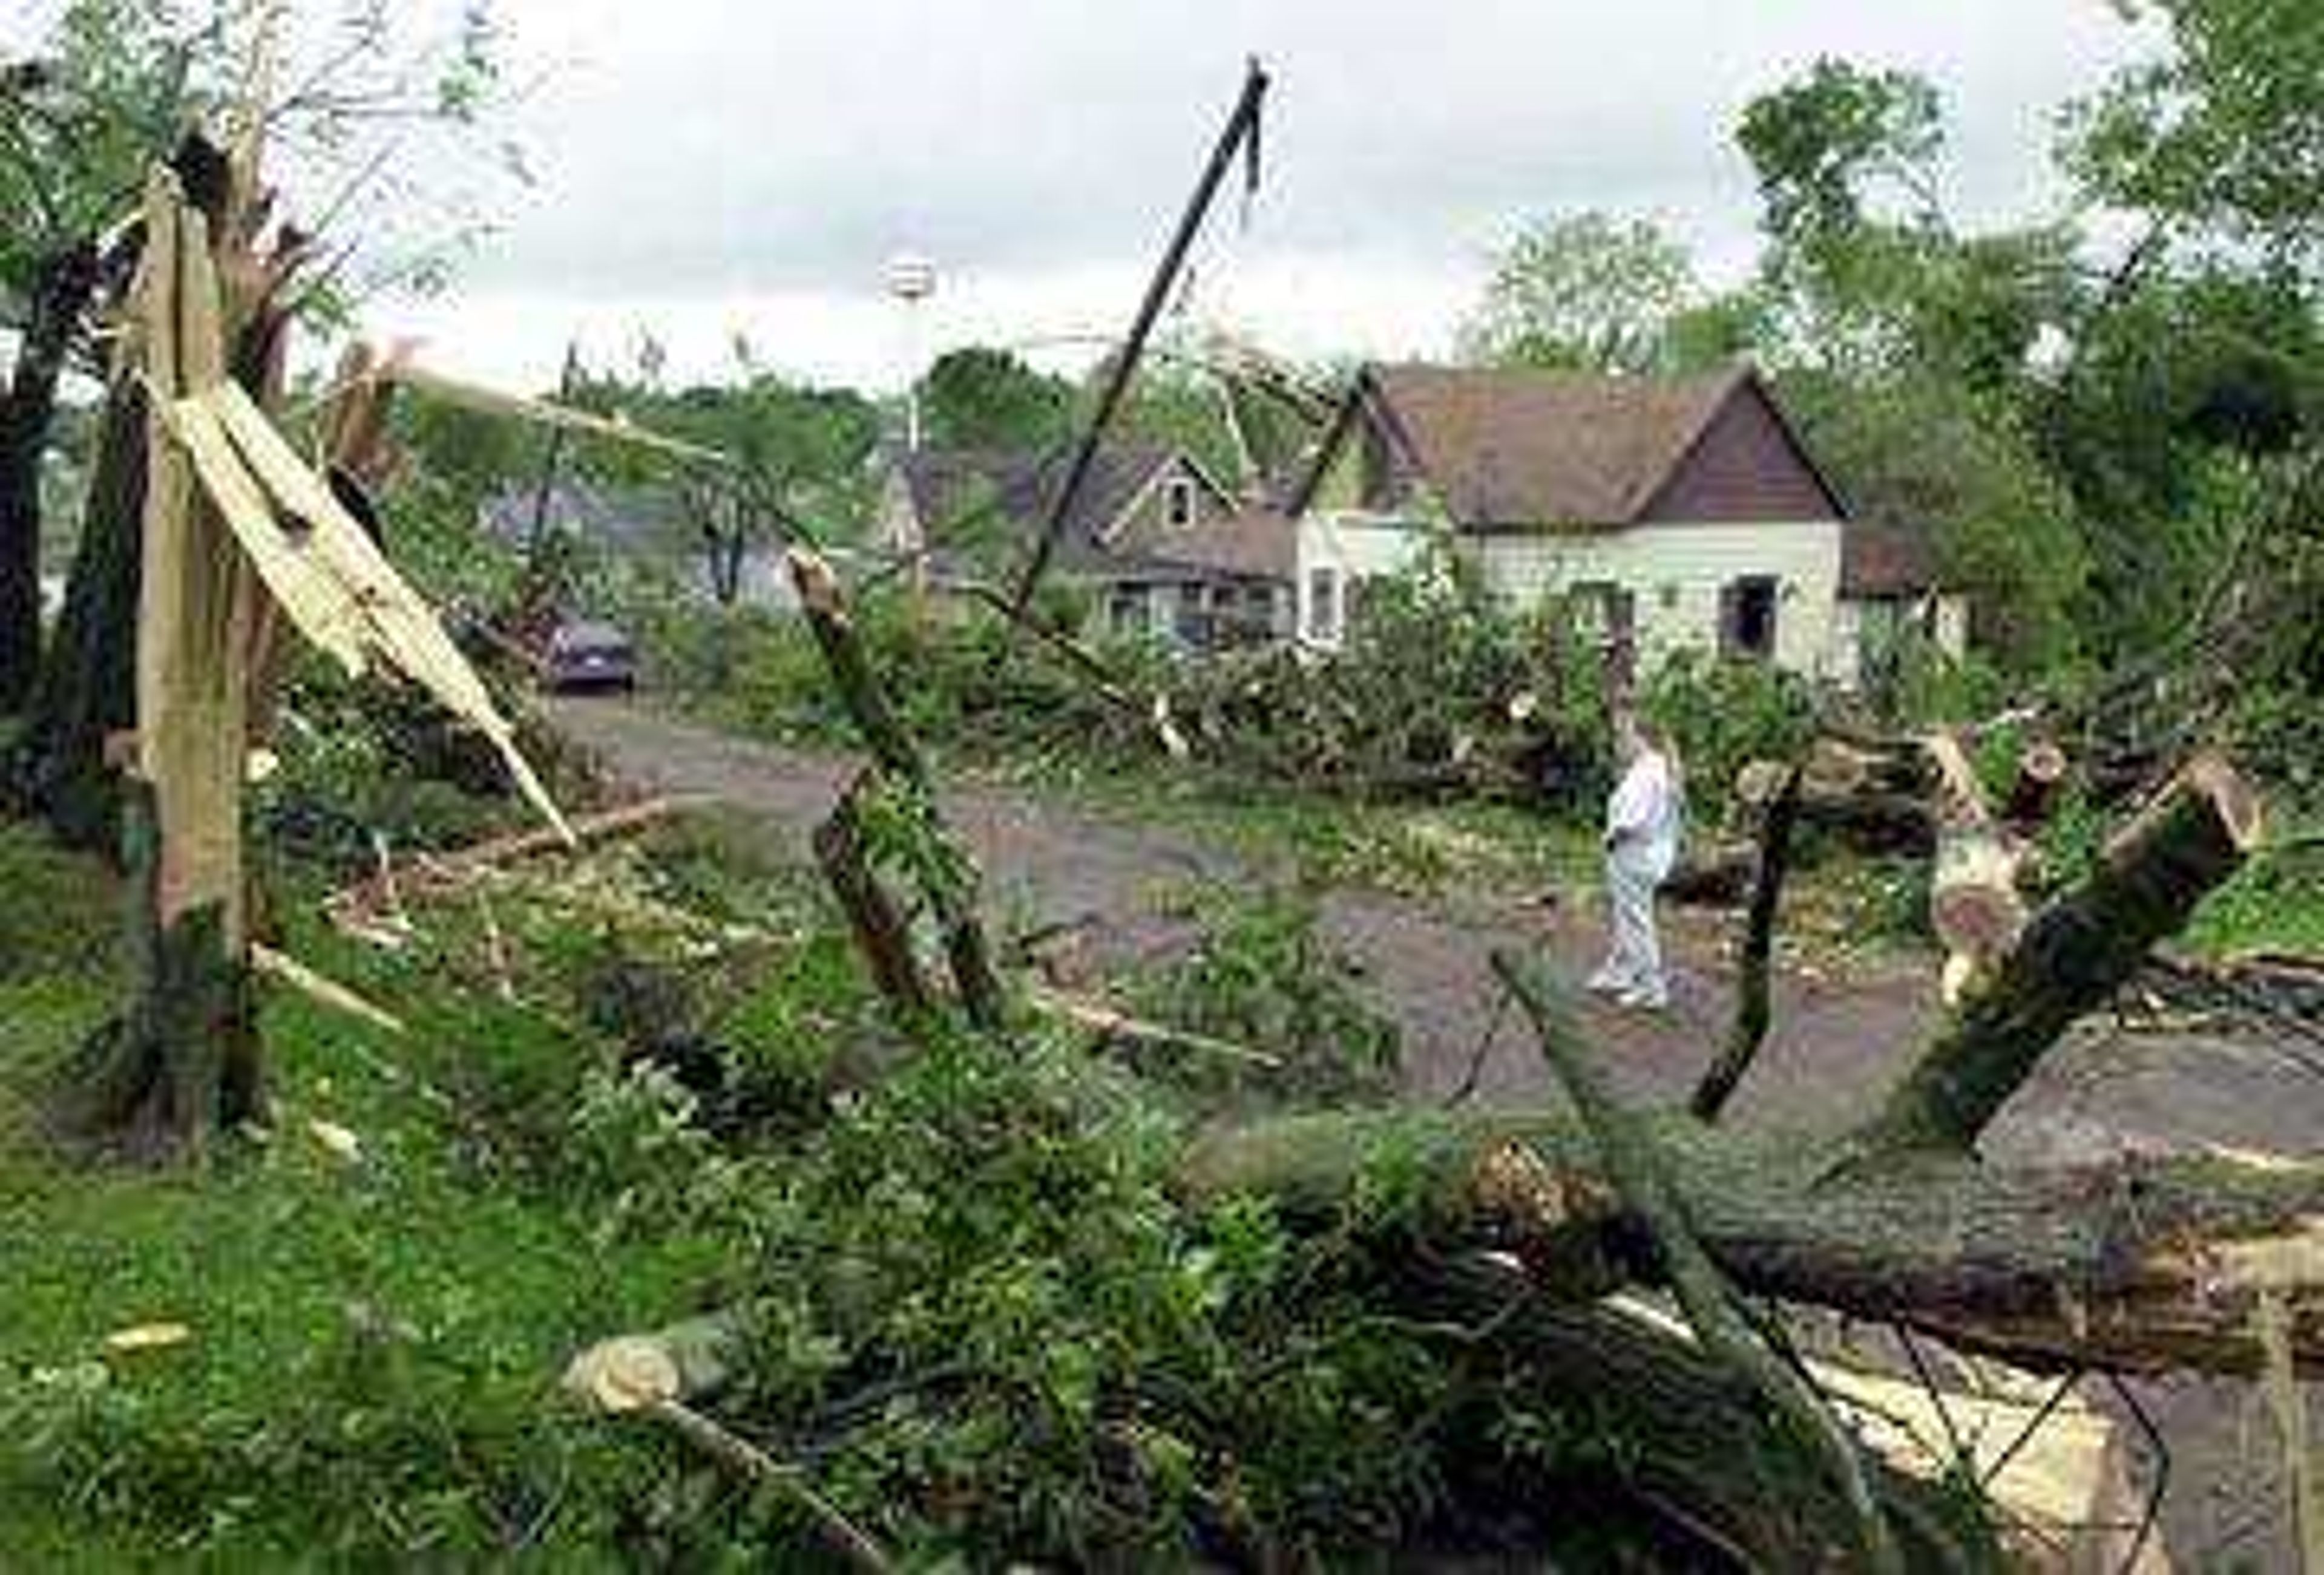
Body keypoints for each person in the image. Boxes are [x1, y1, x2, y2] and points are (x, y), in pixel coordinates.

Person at [1588, 715, 1683, 1010]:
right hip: (1650, 854)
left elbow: (1633, 820)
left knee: (1636, 921)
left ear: (1641, 737)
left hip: (1634, 854)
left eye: (1625, 736)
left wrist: (1611, 839)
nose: (1621, 743)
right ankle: (1621, 970)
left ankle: (1651, 987)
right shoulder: (1657, 769)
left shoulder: (1647, 773)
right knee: (1627, 915)